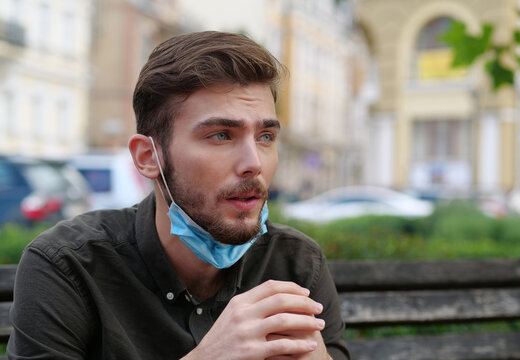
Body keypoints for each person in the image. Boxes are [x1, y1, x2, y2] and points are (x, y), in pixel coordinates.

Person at [7, 31, 350, 360]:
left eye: (265, 137)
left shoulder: (296, 264)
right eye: (220, 136)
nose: (253, 164)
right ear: (148, 157)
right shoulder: (68, 266)